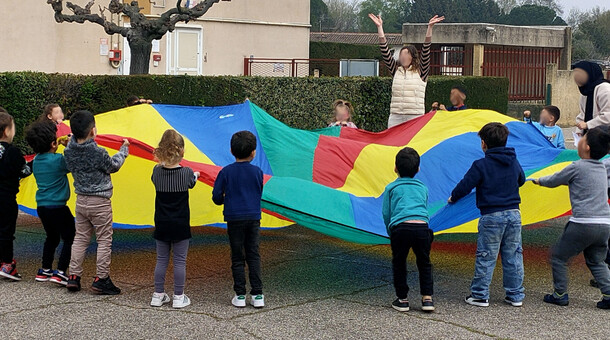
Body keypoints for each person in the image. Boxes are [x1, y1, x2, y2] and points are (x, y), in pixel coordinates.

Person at [448, 122, 526, 308]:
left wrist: (453, 197)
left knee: (486, 255)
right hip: (514, 214)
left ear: (483, 144)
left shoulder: (481, 165)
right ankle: (515, 295)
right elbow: (521, 180)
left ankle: (480, 295)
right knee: (513, 255)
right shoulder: (513, 161)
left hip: (491, 216)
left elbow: (465, 185)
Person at [532, 127, 610, 309]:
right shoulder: (602, 167)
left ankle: (560, 294)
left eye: (582, 138)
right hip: (605, 224)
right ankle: (608, 294)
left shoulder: (577, 166)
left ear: (587, 147)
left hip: (583, 223)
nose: (579, 140)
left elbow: (554, 180)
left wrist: (538, 180)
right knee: (596, 261)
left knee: (558, 257)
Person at [63, 110, 130, 294]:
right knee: (104, 240)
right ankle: (101, 278)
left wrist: (71, 140)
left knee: (80, 238)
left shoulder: (68, 151)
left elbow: (74, 147)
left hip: (81, 201)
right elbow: (113, 166)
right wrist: (124, 150)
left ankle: (73, 276)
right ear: (93, 130)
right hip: (99, 202)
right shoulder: (98, 152)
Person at [212, 131, 265, 309]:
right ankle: (258, 295)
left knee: (237, 257)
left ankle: (240, 295)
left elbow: (216, 197)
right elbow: (259, 192)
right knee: (253, 255)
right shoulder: (258, 172)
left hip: (234, 218)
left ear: (231, 150)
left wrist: (226, 197)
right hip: (253, 217)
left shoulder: (226, 172)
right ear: (253, 152)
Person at [150, 129, 199, 309]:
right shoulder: (187, 173)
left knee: (161, 260)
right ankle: (178, 297)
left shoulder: (156, 172)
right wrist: (197, 176)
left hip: (162, 224)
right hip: (180, 225)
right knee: (180, 261)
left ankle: (158, 295)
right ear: (182, 152)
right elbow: (191, 183)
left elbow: (157, 179)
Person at [382, 147, 435, 313]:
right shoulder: (423, 188)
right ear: (418, 169)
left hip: (401, 228)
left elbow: (386, 213)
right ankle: (427, 299)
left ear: (395, 168)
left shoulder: (391, 188)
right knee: (424, 263)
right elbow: (424, 209)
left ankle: (402, 300)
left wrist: (391, 231)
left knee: (399, 263)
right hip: (421, 228)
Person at [369, 13, 445, 128]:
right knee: (393, 143)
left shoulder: (421, 71)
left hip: (415, 115)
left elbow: (426, 51)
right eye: (401, 55)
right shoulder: (396, 70)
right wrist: (380, 28)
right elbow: (385, 51)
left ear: (413, 57)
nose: (403, 57)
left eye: (406, 54)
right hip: (396, 115)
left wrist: (430, 28)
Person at [24, 120, 75, 286]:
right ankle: (60, 272)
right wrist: (69, 146)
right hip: (59, 207)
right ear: (54, 143)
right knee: (70, 237)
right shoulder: (58, 160)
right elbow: (71, 164)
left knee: (51, 237)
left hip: (42, 207)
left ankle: (45, 270)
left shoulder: (37, 160)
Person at [0, 108, 32, 281]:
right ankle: (7, 264)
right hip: (6, 198)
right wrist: (34, 162)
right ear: (6, 131)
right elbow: (25, 171)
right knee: (6, 231)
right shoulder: (12, 151)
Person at [573, 61, 610, 134]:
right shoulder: (586, 91)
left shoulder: (605, 89)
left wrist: (588, 125)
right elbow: (583, 114)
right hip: (591, 135)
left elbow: (608, 115)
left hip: (605, 135)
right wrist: (579, 130)